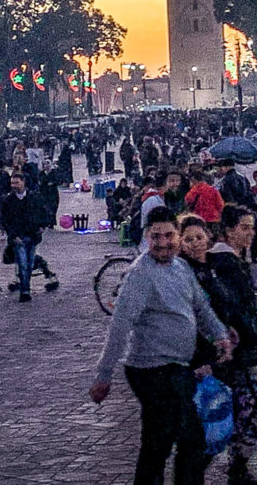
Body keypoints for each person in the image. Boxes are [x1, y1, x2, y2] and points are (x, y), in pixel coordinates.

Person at [89, 207, 233, 485]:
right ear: (147, 237)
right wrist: (103, 376)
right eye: (157, 237)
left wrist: (220, 335)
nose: (164, 242)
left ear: (177, 236)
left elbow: (200, 308)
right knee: (183, 437)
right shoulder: (140, 275)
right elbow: (120, 326)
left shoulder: (180, 267)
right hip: (151, 370)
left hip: (176, 366)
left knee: (162, 441)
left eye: (169, 235)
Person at [181, 213, 257, 485]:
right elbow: (201, 318)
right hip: (221, 356)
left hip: (235, 351)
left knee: (238, 411)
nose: (196, 243)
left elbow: (229, 308)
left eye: (199, 237)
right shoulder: (198, 270)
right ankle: (223, 468)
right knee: (229, 415)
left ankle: (234, 466)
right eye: (189, 239)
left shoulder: (214, 264)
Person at [0, 173, 45, 302]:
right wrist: (12, 235)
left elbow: (41, 212)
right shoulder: (9, 200)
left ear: (23, 182)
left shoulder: (33, 197)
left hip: (32, 235)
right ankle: (25, 290)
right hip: (18, 237)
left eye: (16, 183)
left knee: (29, 264)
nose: (14, 185)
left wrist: (42, 226)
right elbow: (5, 219)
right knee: (22, 263)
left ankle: (25, 285)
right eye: (12, 183)